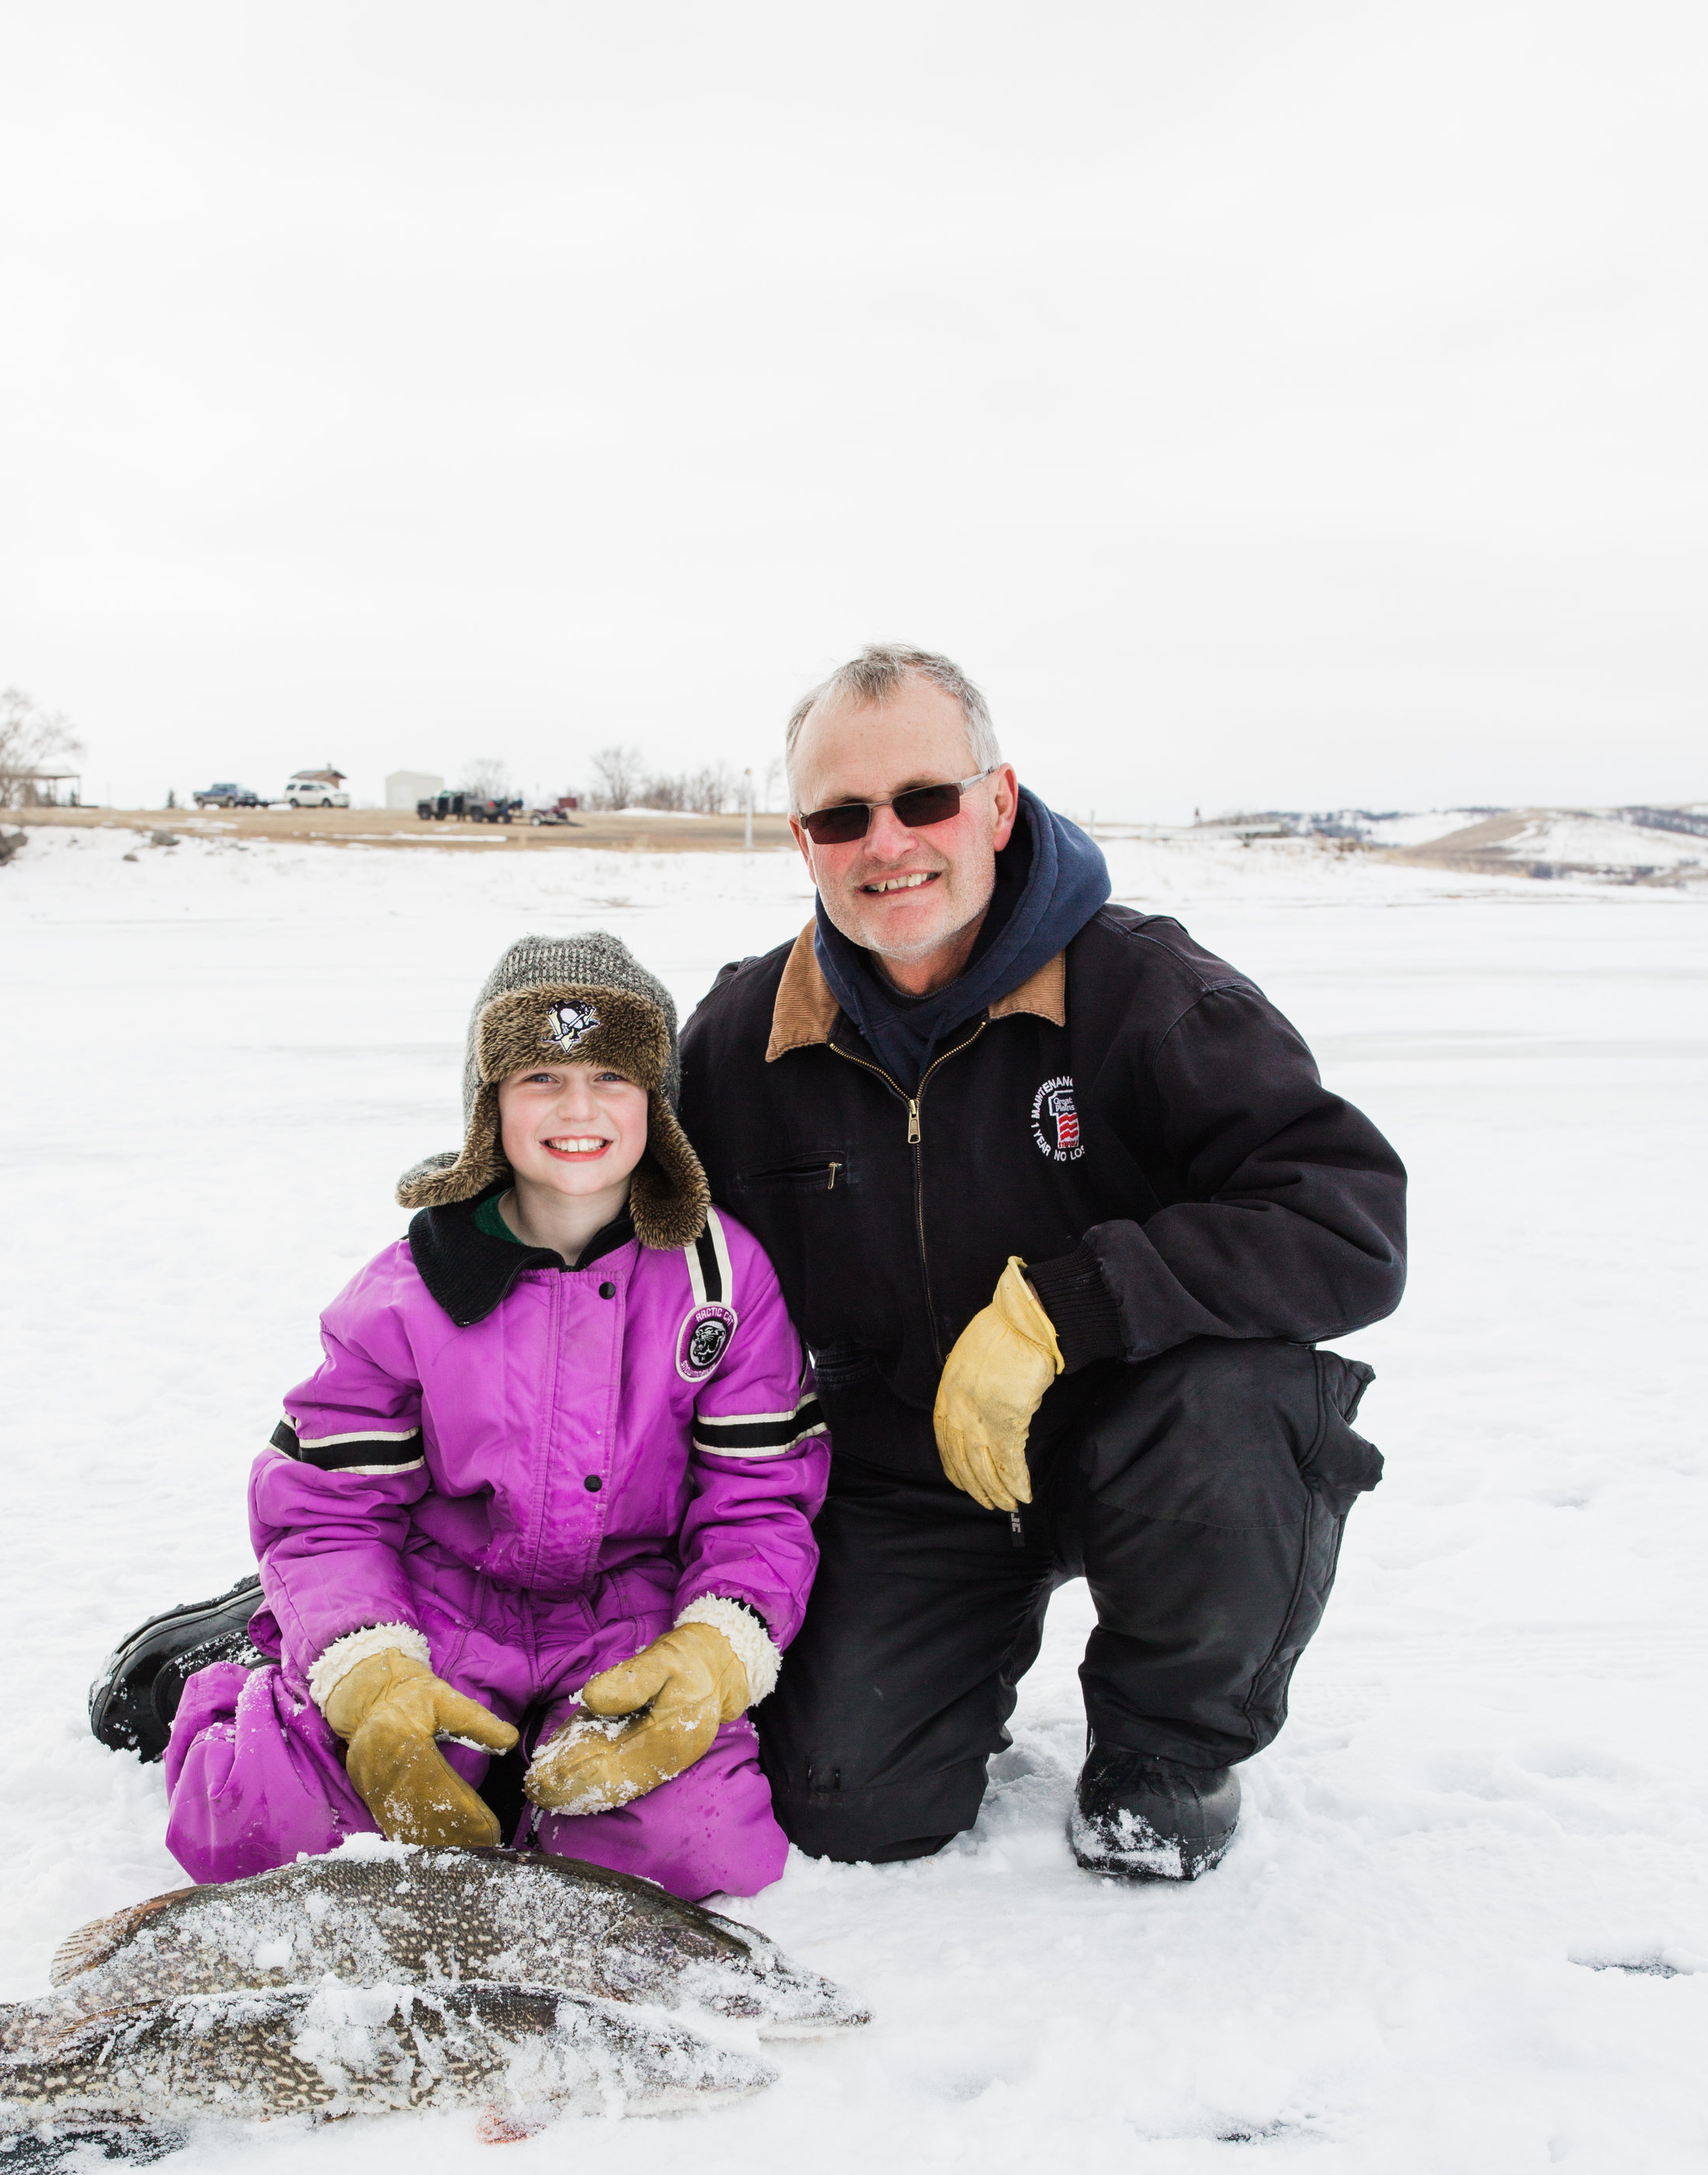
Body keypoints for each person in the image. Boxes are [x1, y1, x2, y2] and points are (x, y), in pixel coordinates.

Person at [675, 643, 1406, 1880]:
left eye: (924, 799)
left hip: (1143, 1445)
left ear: (997, 801)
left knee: (1239, 1402)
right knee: (849, 1802)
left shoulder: (1151, 995)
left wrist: (1064, 1310)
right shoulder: (746, 1038)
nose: (886, 841)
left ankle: (1168, 1746)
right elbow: (613, 1249)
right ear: (803, 841)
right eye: (842, 815)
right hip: (909, 1480)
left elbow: (1347, 1222)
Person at [153, 933, 829, 1904]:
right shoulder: (407, 1288)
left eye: (612, 1075)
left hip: (624, 1617)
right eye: (539, 1078)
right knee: (269, 1829)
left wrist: (713, 1650)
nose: (580, 1109)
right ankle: (244, 1674)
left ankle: (529, 1763)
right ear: (486, 1104)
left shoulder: (722, 1279)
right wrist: (373, 1670)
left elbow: (760, 1497)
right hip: (437, 1601)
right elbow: (330, 1506)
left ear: (659, 1103)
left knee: (695, 1852)